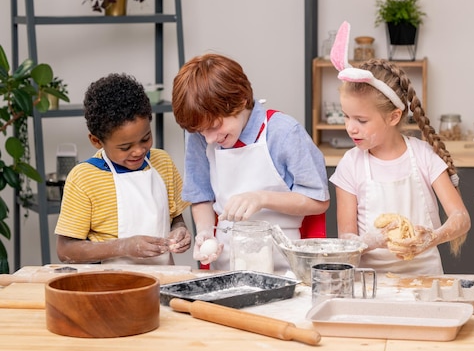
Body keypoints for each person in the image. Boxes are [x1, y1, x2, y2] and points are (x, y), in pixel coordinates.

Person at [328, 21, 471, 275]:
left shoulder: (424, 155)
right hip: (372, 284)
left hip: (426, 279)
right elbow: (346, 242)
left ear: (394, 117)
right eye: (346, 116)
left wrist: (431, 238)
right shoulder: (351, 164)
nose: (350, 128)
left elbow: (461, 219)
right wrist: (375, 239)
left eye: (361, 120)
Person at [171, 53, 330, 272]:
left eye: (215, 126)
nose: (208, 138)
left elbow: (318, 200)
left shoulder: (283, 133)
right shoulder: (199, 135)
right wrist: (205, 232)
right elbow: (201, 196)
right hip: (225, 267)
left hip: (285, 267)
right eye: (201, 131)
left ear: (241, 101)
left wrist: (261, 198)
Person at [55, 73, 191, 264]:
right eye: (125, 147)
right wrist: (123, 247)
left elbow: (176, 218)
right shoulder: (83, 178)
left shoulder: (163, 163)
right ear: (96, 141)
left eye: (145, 139)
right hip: (110, 287)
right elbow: (66, 250)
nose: (138, 151)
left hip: (162, 281)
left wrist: (180, 231)